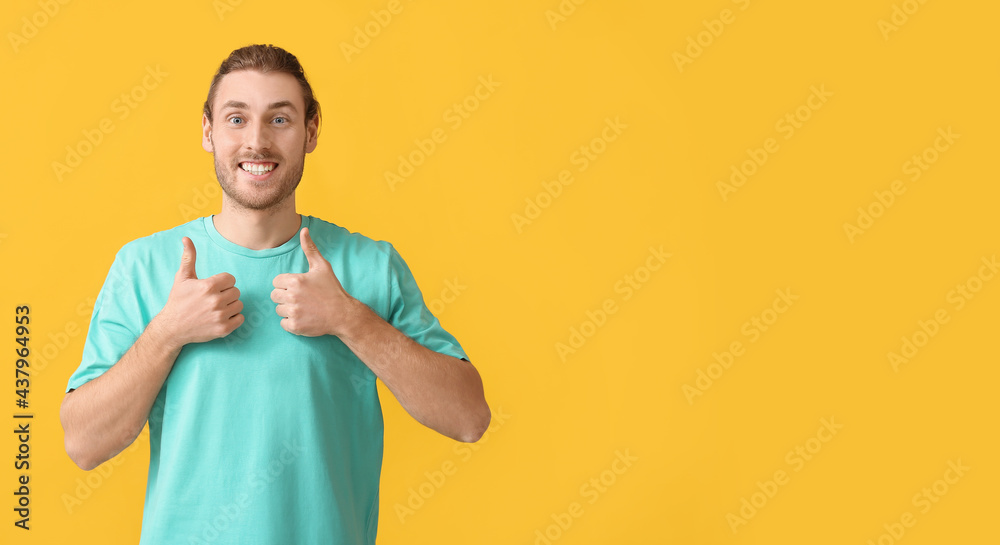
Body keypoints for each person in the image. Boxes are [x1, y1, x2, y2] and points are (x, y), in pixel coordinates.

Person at [60, 44, 490, 544]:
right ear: (208, 131)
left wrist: (350, 319)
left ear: (310, 131)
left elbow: (468, 418)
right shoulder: (143, 267)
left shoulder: (370, 265)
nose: (256, 141)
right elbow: (83, 444)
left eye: (280, 120)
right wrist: (168, 333)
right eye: (236, 118)